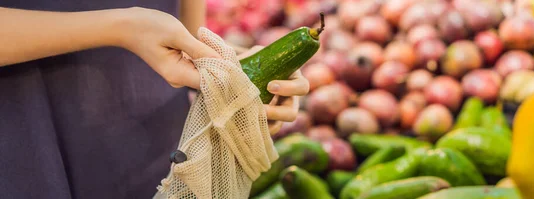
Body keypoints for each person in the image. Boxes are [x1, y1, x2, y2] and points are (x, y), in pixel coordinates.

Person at [0, 1, 308, 198]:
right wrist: (124, 26)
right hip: (27, 137)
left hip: (157, 138)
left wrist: (231, 72)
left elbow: (186, 33)